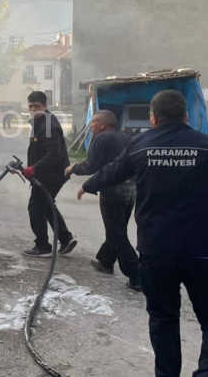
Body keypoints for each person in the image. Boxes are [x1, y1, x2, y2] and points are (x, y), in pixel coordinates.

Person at [79, 90, 208, 377]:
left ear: (153, 117)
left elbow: (113, 171)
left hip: (156, 253)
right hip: (207, 253)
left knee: (163, 319)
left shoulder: (139, 146)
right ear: (186, 116)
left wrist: (88, 184)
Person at [66, 110, 140, 291]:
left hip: (112, 189)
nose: (91, 126)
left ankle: (138, 276)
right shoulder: (124, 137)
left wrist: (73, 168)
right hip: (130, 190)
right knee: (118, 228)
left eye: (93, 123)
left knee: (116, 233)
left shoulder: (101, 139)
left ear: (102, 124)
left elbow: (92, 166)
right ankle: (106, 261)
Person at [20, 91, 78, 257]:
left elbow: (54, 154)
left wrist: (34, 168)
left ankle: (43, 246)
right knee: (46, 206)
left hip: (52, 175)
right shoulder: (40, 122)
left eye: (36, 106)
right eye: (30, 106)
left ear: (45, 106)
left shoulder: (48, 124)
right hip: (47, 174)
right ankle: (66, 238)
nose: (33, 109)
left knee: (35, 208)